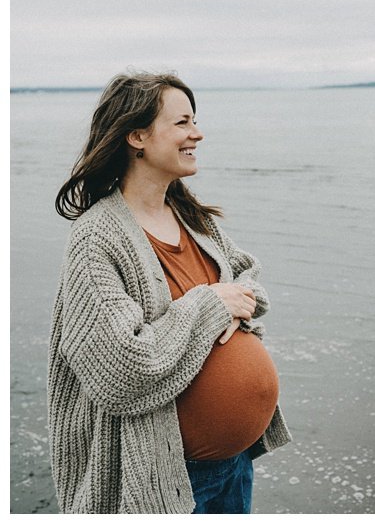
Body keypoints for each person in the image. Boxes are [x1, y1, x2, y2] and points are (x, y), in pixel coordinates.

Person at [49, 72, 288, 513]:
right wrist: (213, 303)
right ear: (137, 136)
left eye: (193, 121)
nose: (197, 133)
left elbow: (246, 278)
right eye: (181, 123)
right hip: (166, 478)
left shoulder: (190, 215)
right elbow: (120, 368)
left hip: (235, 466)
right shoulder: (97, 237)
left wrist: (234, 298)